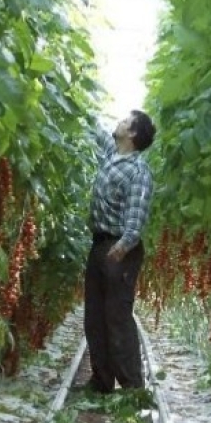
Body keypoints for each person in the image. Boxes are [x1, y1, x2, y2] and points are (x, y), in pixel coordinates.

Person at [82, 110, 156, 394]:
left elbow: (136, 215)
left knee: (117, 316)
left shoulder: (138, 171)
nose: (119, 122)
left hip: (120, 249)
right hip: (100, 243)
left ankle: (132, 388)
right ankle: (101, 382)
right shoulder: (112, 156)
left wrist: (123, 246)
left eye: (126, 121)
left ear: (133, 134)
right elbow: (97, 131)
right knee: (95, 316)